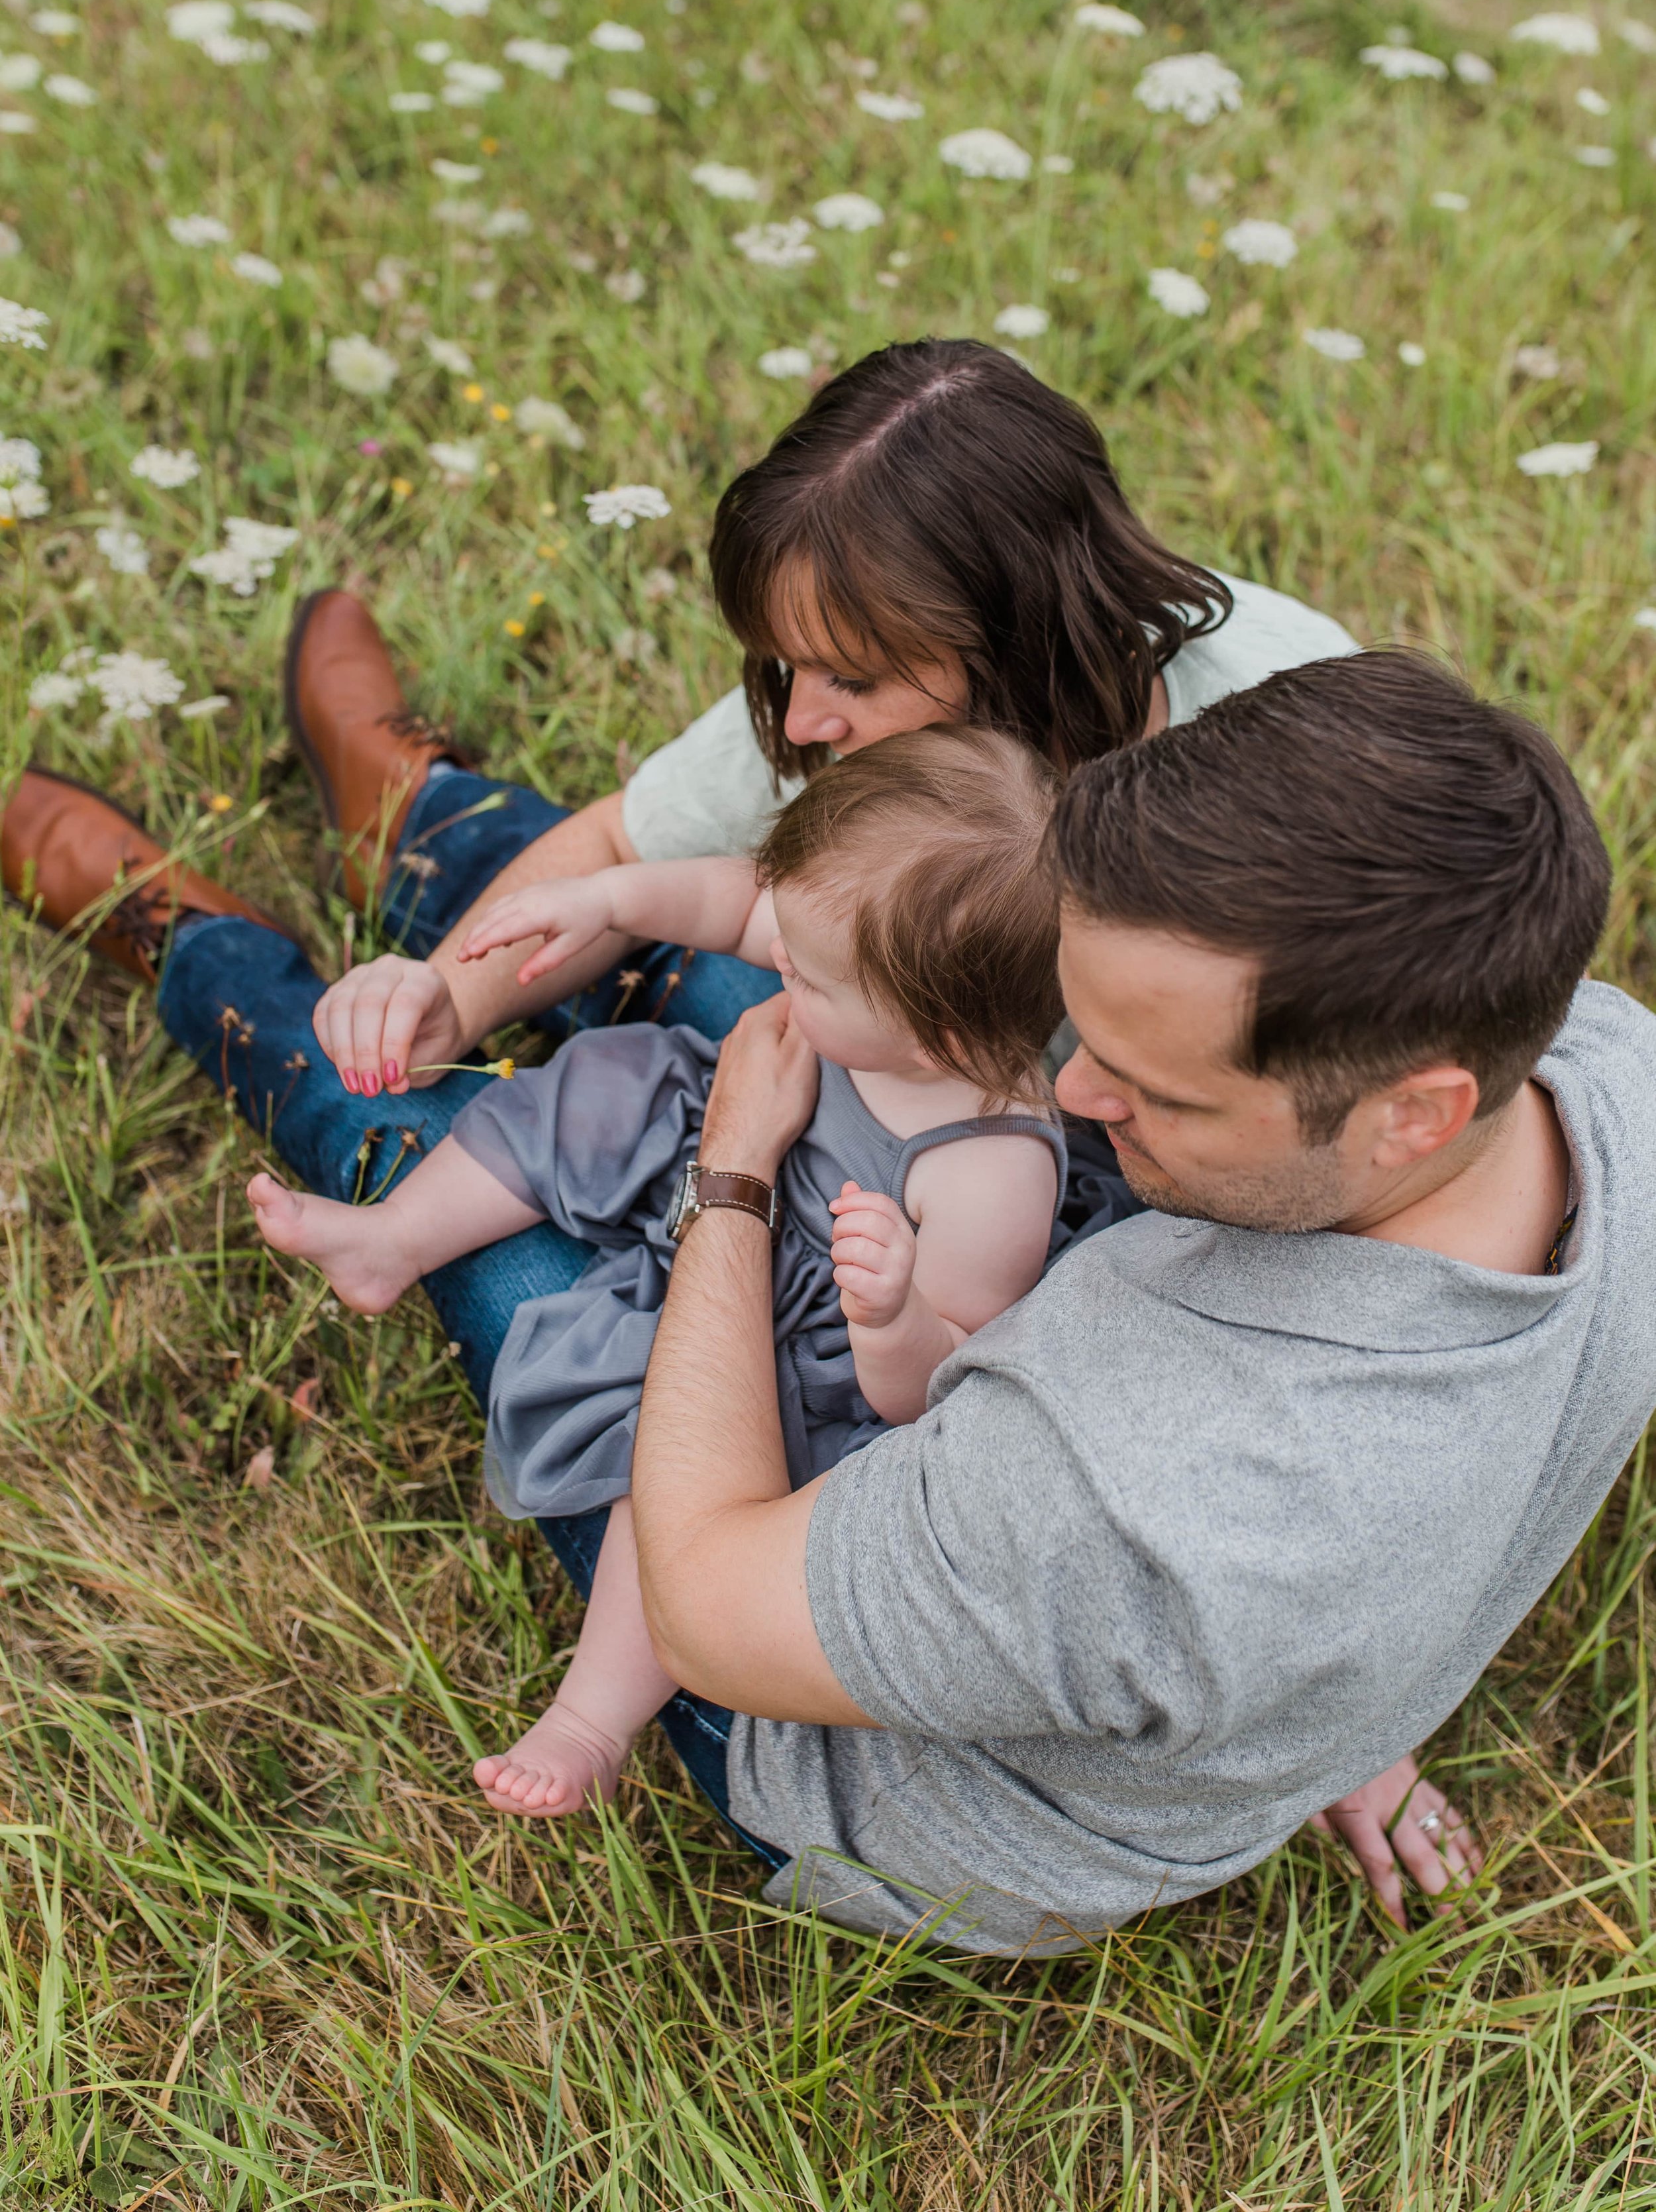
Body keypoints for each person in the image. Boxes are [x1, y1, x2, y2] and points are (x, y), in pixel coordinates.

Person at [3, 339, 1464, 1907]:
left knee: (473, 1185)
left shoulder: (1278, 736)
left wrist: (1336, 1704)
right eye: (782, 670)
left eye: (849, 680)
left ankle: (198, 947)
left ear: (1014, 637)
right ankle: (414, 818)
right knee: (578, 977)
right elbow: (638, 851)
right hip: (849, 1027)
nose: (802, 717)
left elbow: (1377, 1218)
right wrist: (443, 994)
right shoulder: (855, 676)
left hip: (1000, 1223)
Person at [616, 649, 1655, 1953]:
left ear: (1412, 1113)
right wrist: (1336, 1702)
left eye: (1159, 1093)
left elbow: (701, 1605)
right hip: (1192, 1646)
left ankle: (297, 984)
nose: (1070, 1099)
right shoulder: (1615, 1072)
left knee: (488, 1144)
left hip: (867, 1792)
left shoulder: (1123, 1483)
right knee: (801, 968)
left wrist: (731, 1180)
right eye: (1082, 1029)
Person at [246, 727, 1066, 1818]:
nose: (776, 966)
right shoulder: (863, 948)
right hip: (721, 1149)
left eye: (808, 977)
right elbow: (738, 903)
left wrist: (892, 1311)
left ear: (940, 1033)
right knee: (591, 1090)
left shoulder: (992, 1170)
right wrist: (610, 904)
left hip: (800, 1338)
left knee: (671, 1469)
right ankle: (393, 1237)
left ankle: (591, 1716)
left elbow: (936, 1392)